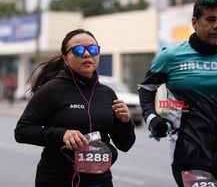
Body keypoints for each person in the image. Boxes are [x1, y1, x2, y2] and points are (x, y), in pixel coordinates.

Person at [138, 0, 217, 187]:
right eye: (210, 19)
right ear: (194, 22)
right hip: (187, 151)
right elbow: (146, 88)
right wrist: (152, 118)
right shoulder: (171, 56)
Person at [14, 29, 136, 187]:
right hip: (58, 180)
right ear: (66, 59)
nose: (87, 54)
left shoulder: (107, 94)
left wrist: (125, 122)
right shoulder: (52, 89)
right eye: (78, 50)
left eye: (92, 49)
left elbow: (125, 145)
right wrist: (62, 134)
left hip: (100, 181)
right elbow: (22, 131)